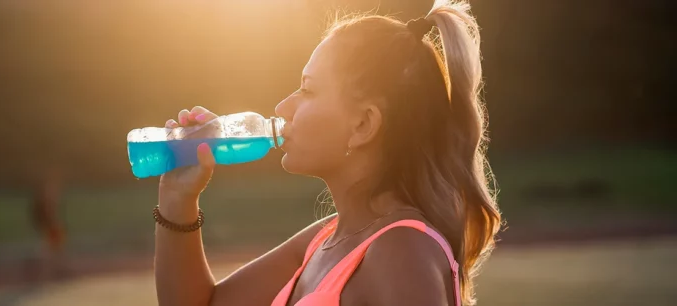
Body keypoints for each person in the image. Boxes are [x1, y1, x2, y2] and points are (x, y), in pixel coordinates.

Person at [153, 0, 501, 305]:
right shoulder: (326, 240)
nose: (283, 106)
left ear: (363, 124)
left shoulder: (402, 252)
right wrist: (178, 198)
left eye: (307, 89)